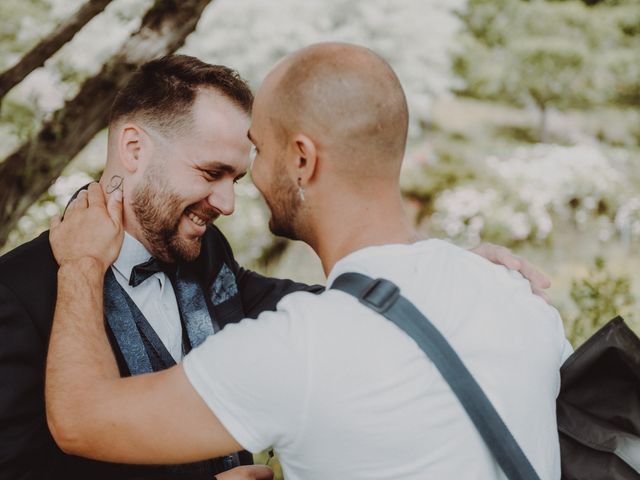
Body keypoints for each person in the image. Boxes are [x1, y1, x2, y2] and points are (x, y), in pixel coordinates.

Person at [0, 54, 539, 480]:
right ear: (134, 148)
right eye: (211, 171)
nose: (228, 203)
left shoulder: (209, 255)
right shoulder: (17, 292)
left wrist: (435, 269)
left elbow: (330, 309)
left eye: (234, 178)